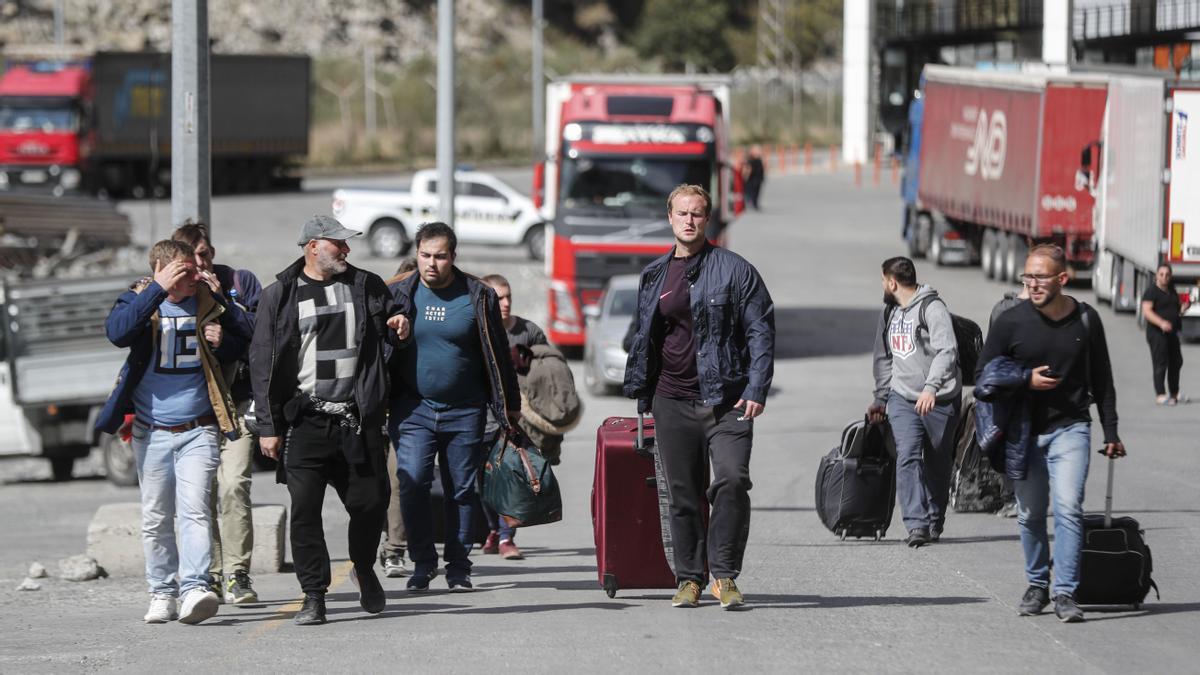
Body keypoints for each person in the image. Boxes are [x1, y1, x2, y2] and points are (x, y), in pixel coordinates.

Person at [250, 215, 409, 626]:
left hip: (356, 421)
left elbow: (393, 320)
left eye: (346, 244)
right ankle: (314, 595)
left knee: (370, 504)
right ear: (312, 246)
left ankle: (363, 565)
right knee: (305, 510)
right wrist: (268, 426)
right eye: (338, 243)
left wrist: (399, 324)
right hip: (305, 421)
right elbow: (262, 362)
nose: (346, 250)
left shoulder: (366, 285)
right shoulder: (279, 295)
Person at [623, 184, 775, 610]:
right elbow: (644, 337)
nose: (689, 220)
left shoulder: (736, 270)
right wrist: (642, 390)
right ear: (670, 218)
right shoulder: (653, 275)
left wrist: (757, 387)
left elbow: (760, 331)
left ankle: (723, 576)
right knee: (683, 494)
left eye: (697, 214)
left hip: (728, 401)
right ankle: (689, 578)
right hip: (671, 399)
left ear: (707, 220)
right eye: (682, 213)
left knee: (731, 480)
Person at [96, 239, 250, 625]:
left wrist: (225, 333)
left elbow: (251, 337)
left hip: (199, 428)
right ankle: (161, 591)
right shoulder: (140, 300)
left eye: (195, 269)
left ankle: (196, 587)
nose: (194, 275)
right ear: (163, 270)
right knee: (156, 515)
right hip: (152, 431)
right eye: (184, 270)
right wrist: (155, 290)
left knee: (195, 510)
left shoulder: (208, 299)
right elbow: (117, 333)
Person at [978, 244, 1125, 623]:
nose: (1033, 283)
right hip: (1023, 433)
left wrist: (1111, 430)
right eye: (1028, 276)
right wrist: (1025, 378)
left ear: (1063, 278)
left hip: (1071, 428)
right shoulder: (1011, 321)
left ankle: (1065, 593)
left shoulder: (1087, 321)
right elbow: (982, 377)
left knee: (1068, 510)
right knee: (1029, 514)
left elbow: (1103, 379)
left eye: (1041, 277)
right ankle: (1037, 584)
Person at [388, 222, 520, 592]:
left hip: (466, 410)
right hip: (413, 410)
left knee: (461, 490)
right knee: (412, 483)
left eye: (440, 256)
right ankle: (423, 563)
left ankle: (459, 567)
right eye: (425, 255)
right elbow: (375, 345)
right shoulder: (397, 291)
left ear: (453, 257)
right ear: (416, 254)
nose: (432, 263)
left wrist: (510, 405)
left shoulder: (478, 294)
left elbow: (498, 354)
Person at [171, 222, 263, 604]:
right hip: (199, 411)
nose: (201, 263)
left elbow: (263, 332)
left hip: (238, 406)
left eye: (205, 254)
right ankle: (210, 573)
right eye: (192, 258)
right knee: (200, 495)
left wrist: (226, 309)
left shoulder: (239, 282)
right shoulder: (175, 294)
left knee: (234, 485)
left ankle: (237, 574)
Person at [868, 257, 961, 548]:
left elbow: (948, 351)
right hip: (902, 398)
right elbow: (883, 357)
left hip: (939, 400)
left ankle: (934, 519)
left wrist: (931, 388)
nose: (882, 286)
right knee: (907, 456)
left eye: (883, 281)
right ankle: (916, 525)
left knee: (937, 462)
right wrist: (881, 398)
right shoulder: (890, 311)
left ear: (892, 282)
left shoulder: (933, 308)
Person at [479, 273, 549, 561]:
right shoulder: (477, 330)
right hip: (479, 418)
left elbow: (547, 371)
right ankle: (495, 528)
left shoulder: (528, 332)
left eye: (508, 296)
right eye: (499, 298)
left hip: (516, 419)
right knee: (481, 482)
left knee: (509, 476)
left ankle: (506, 536)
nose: (505, 303)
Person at [380, 257, 418, 578]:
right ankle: (380, 541)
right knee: (372, 485)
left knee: (398, 481)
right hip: (372, 410)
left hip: (406, 414)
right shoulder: (381, 314)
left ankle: (395, 550)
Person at [988, 286, 1029, 519]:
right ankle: (1015, 496)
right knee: (1007, 443)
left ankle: (1017, 497)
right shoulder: (1004, 309)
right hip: (1012, 386)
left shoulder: (1001, 309)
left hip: (1015, 387)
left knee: (1010, 442)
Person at [1141, 263, 1187, 405]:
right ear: (1156, 275)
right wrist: (1161, 322)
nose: (1164, 277)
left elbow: (1176, 310)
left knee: (1176, 361)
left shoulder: (1172, 290)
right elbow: (1147, 311)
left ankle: (1174, 393)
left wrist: (1184, 308)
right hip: (1157, 333)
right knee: (1161, 362)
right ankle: (1160, 395)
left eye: (1167, 275)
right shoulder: (1151, 291)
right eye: (1161, 274)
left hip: (1172, 332)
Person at [743, 145, 765, 211]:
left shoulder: (759, 160)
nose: (758, 152)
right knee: (752, 191)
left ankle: (755, 204)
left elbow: (762, 169)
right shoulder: (750, 160)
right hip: (752, 179)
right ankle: (751, 203)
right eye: (756, 151)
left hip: (758, 178)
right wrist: (745, 176)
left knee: (757, 192)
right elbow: (748, 169)